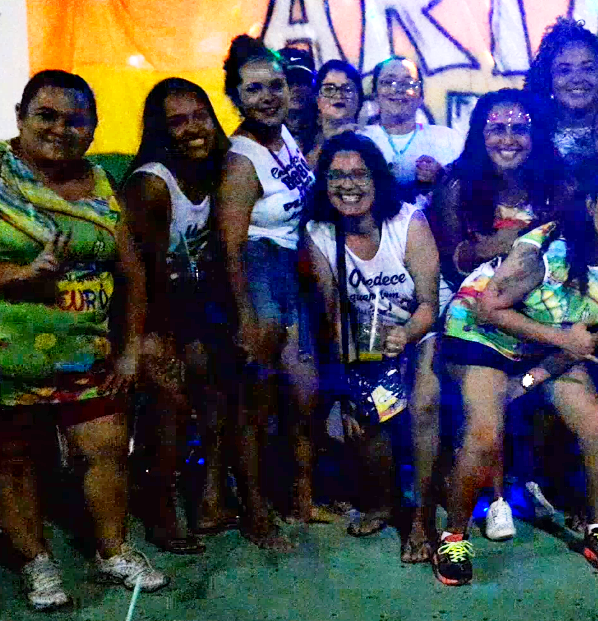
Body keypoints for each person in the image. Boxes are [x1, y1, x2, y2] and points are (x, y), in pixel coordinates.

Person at [0, 70, 167, 610]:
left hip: (84, 351)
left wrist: (130, 347)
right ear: (20, 117)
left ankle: (114, 550)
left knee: (106, 448)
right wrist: (21, 276)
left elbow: (132, 275)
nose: (60, 129)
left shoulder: (102, 179)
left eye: (75, 120)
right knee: (8, 459)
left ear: (93, 127)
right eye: (46, 116)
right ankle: (36, 562)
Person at [431, 160, 598, 586]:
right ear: (591, 204)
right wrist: (561, 340)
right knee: (484, 432)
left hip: (541, 348)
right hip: (479, 333)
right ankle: (453, 536)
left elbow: (584, 346)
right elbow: (488, 308)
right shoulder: (546, 249)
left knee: (596, 428)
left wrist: (529, 381)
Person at [415, 89, 560, 553]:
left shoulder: (557, 185)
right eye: (496, 129)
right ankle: (474, 508)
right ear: (480, 134)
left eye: (520, 128)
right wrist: (504, 243)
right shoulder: (458, 185)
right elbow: (453, 260)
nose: (508, 138)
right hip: (473, 312)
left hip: (541, 312)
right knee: (474, 411)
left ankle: (529, 487)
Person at [216, 35, 324, 550]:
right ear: (235, 96)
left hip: (289, 270)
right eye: (254, 89)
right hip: (257, 270)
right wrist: (245, 315)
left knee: (303, 393)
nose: (267, 97)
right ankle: (256, 510)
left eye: (275, 86)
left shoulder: (284, 140)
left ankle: (301, 498)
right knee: (256, 403)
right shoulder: (241, 158)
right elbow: (230, 245)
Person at [303, 132, 440, 539]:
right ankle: (384, 502)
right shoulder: (319, 233)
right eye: (337, 175)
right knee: (365, 410)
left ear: (377, 179)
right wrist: (348, 389)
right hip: (365, 338)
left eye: (359, 174)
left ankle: (423, 517)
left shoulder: (408, 222)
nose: (348, 185)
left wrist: (405, 334)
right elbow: (334, 315)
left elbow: (429, 305)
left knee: (424, 402)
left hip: (421, 330)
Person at [121, 77, 236, 554]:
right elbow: (139, 277)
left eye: (200, 116)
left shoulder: (214, 172)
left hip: (192, 307)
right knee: (168, 395)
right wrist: (157, 341)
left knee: (221, 384)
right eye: (178, 121)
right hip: (145, 311)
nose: (193, 128)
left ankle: (209, 499)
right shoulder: (152, 184)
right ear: (160, 131)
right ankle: (161, 508)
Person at [359, 56, 463, 206]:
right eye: (388, 82)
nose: (398, 89)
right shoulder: (360, 140)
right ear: (375, 94)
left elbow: (468, 193)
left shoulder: (448, 140)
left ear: (421, 96)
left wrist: (442, 176)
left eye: (408, 83)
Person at [523, 18, 598, 167]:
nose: (577, 79)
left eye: (588, 68)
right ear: (548, 78)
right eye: (564, 70)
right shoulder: (530, 131)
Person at [302, 59, 363, 167]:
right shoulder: (302, 145)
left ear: (359, 98)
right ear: (317, 99)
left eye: (347, 89)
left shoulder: (372, 140)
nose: (338, 95)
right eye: (329, 89)